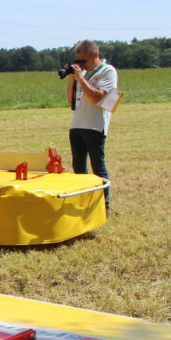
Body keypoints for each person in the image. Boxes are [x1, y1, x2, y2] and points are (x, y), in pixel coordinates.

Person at [66, 40, 118, 212]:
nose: (81, 64)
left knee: (98, 167)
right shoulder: (85, 74)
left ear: (95, 55)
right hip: (77, 125)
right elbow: (70, 100)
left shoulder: (107, 71)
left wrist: (80, 77)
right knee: (79, 169)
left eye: (83, 60)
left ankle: (104, 207)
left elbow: (97, 98)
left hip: (95, 126)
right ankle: (84, 206)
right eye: (78, 60)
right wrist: (74, 78)